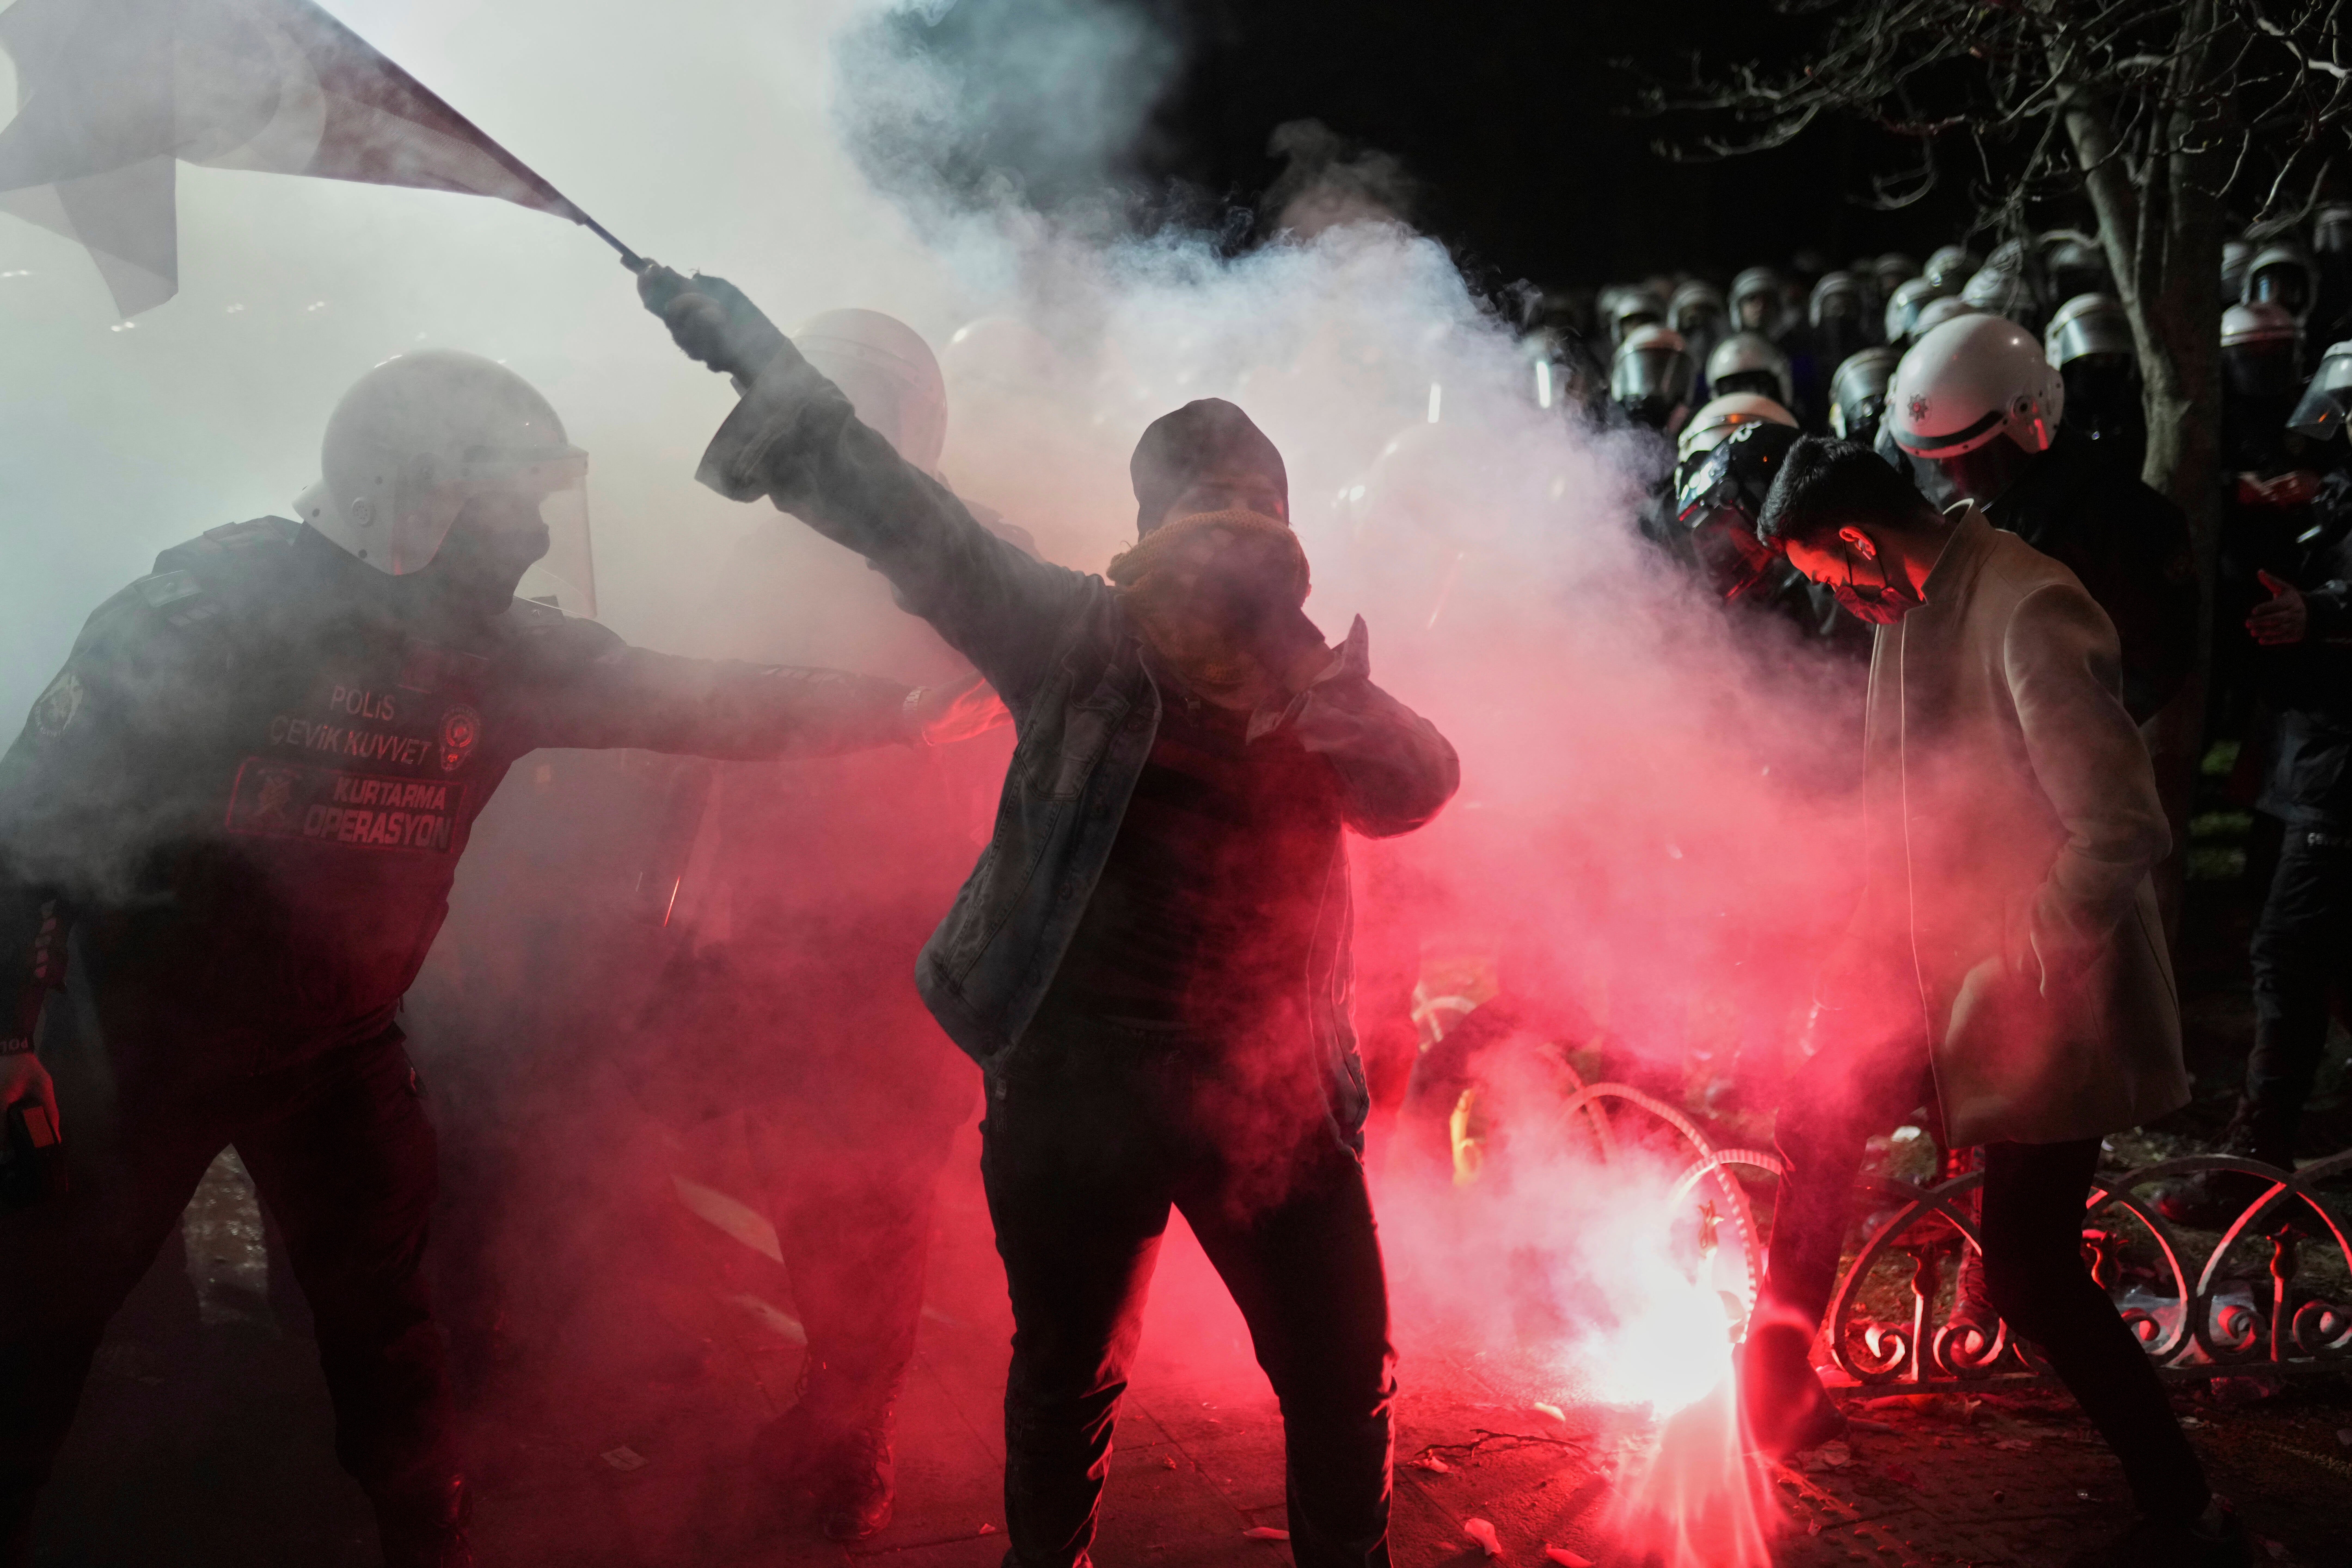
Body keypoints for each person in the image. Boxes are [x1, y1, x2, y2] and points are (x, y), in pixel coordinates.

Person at [0, 350, 1002, 1568]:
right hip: (142, 1047)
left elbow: (691, 698)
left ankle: (430, 1543)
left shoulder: (504, 651)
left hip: (338, 1049)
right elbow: (32, 822)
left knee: (390, 1333)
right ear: (409, 494)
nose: (533, 531)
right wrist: (11, 1029)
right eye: (508, 498)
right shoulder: (209, 610)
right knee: (38, 1323)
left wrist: (891, 716)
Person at [639, 267, 1459, 1568]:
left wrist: (1344, 711)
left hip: (1275, 1099)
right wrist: (752, 355)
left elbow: (1421, 785)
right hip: (1082, 1084)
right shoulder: (1072, 632)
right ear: (1155, 527)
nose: (1224, 555)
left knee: (1343, 1381)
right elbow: (899, 513)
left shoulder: (1316, 676)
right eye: (1207, 520)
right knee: (1068, 1379)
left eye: (1250, 523)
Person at [1744, 438, 2244, 1568]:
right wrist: (1850, 970)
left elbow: (2121, 830)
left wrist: (2010, 974)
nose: (1838, 602)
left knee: (2029, 1269)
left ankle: (2189, 1517)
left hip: (2049, 1000)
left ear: (1863, 542)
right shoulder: (1909, 605)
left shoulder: (2029, 608)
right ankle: (1773, 1392)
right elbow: (1903, 819)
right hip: (1937, 979)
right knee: (1817, 1118)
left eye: (1830, 577)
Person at [641, 307, 1016, 1540]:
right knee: (814, 1180)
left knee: (871, 1187)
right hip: (775, 924)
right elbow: (707, 723)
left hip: (908, 920)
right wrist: (693, 895)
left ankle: (852, 1441)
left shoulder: (976, 554)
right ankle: (840, 1403)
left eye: (866, 407)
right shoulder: (762, 554)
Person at [2161, 350, 2352, 1228]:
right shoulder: (2333, 497)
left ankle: (2256, 1163)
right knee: (2310, 962)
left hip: (2339, 776)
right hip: (2314, 763)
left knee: (2289, 958)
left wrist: (2325, 615)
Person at [1886, 312, 2197, 724]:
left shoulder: (2118, 517)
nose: (1951, 484)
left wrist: (2062, 735)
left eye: (1969, 462)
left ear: (2028, 418)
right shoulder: (1968, 502)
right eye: (1936, 465)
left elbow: (2156, 660)